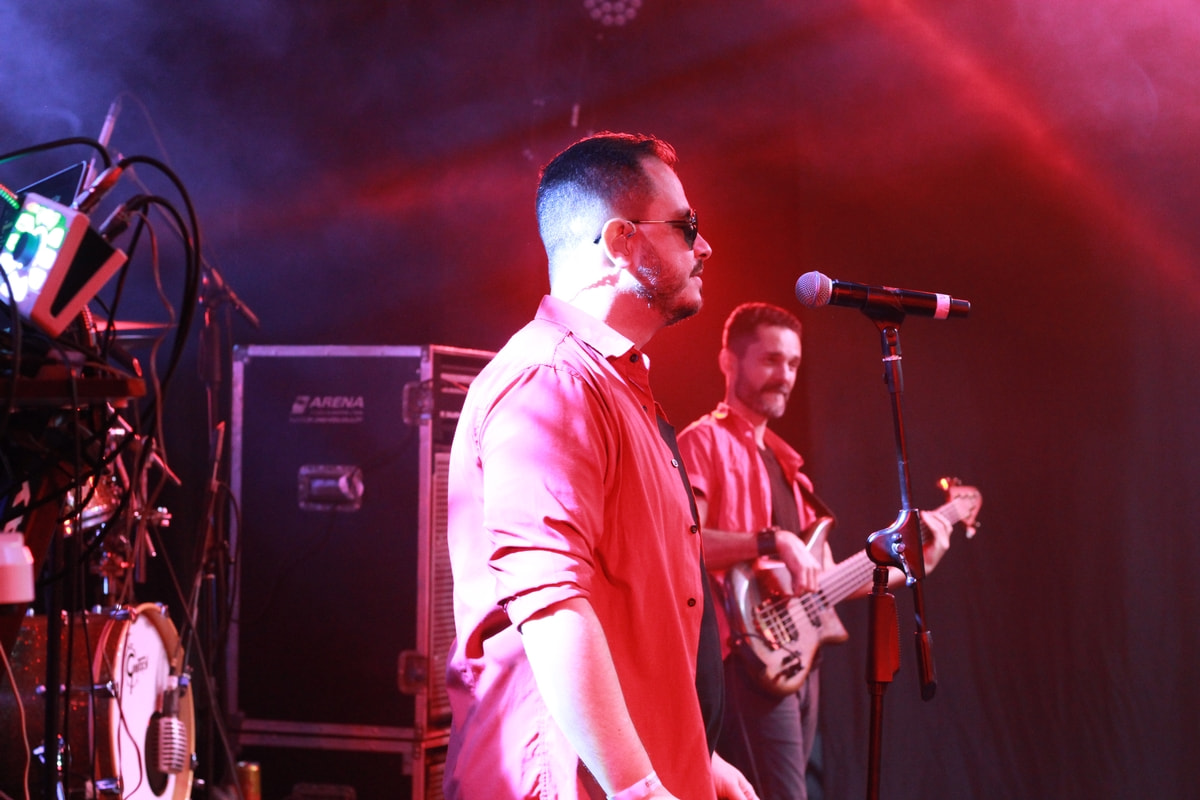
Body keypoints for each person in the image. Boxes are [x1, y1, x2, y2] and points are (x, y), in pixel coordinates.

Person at [444, 132, 758, 800]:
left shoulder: (613, 387)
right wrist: (638, 787)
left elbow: (635, 617)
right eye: (686, 226)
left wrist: (694, 759)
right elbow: (551, 603)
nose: (705, 246)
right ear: (621, 242)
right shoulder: (551, 380)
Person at [676, 302, 956, 800]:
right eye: (771, 360)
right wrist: (773, 540)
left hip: (798, 662)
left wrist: (919, 565)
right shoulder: (702, 443)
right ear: (728, 362)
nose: (785, 375)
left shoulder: (791, 469)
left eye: (793, 364)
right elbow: (682, 544)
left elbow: (829, 583)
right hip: (743, 657)